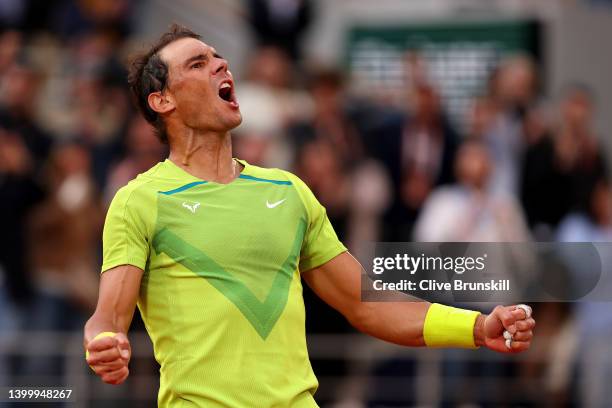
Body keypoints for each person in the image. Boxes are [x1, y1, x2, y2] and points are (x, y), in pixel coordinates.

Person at [83, 25, 536, 407]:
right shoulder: (139, 200)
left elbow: (366, 304)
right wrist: (105, 345)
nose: (221, 66)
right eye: (197, 64)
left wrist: (476, 327)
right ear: (162, 101)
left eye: (219, 58)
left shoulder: (289, 191)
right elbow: (108, 319)